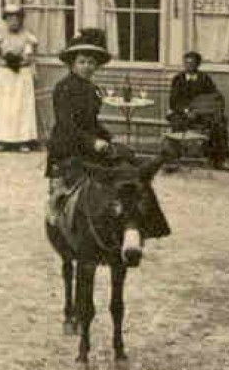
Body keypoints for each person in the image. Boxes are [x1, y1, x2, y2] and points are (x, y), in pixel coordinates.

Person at [45, 29, 171, 237]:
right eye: (82, 62)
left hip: (91, 143)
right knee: (81, 182)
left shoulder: (92, 88)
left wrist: (109, 138)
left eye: (92, 63)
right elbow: (67, 124)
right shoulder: (63, 88)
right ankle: (58, 201)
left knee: (133, 167)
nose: (87, 67)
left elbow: (92, 122)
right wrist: (93, 142)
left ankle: (144, 221)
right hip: (68, 146)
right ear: (72, 64)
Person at [166, 50, 229, 171]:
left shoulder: (204, 78)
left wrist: (205, 110)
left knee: (219, 123)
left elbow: (215, 96)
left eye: (192, 63)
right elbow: (173, 101)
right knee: (176, 122)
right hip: (182, 112)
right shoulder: (178, 79)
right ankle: (173, 161)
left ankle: (218, 160)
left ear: (198, 64)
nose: (188, 65)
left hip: (201, 113)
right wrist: (186, 111)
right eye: (186, 63)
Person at [0, 4, 39, 151]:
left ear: (21, 20)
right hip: (5, 74)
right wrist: (6, 62)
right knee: (4, 106)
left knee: (21, 106)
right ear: (5, 20)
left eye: (16, 18)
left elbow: (30, 56)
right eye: (9, 19)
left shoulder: (28, 37)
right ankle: (2, 139)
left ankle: (23, 140)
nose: (13, 22)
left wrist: (20, 61)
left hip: (22, 74)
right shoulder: (0, 36)